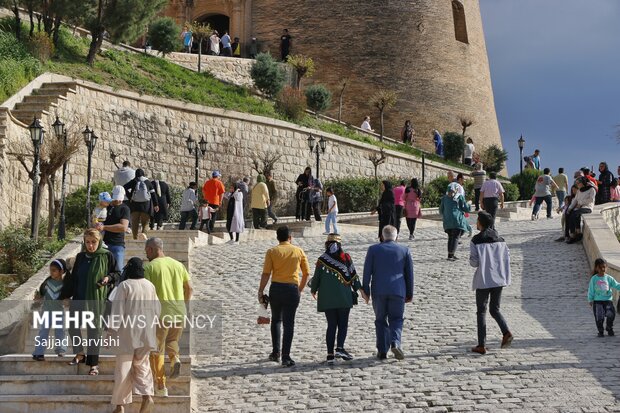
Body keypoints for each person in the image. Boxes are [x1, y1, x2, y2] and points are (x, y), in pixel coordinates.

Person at [61, 229, 117, 376]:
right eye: (88, 242)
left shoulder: (106, 256)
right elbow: (73, 279)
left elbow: (117, 273)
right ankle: (79, 353)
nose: (90, 246)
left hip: (96, 300)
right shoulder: (80, 257)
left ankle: (93, 364)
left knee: (94, 332)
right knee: (73, 326)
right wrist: (66, 296)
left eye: (93, 242)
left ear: (99, 242)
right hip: (79, 298)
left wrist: (108, 278)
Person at [108, 257, 159, 413]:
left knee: (123, 369)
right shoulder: (150, 285)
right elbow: (157, 309)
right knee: (142, 366)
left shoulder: (125, 286)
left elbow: (117, 311)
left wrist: (110, 332)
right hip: (146, 333)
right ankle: (147, 396)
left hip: (127, 334)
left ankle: (120, 406)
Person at [144, 237, 193, 397]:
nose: (146, 255)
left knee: (156, 350)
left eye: (147, 251)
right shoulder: (178, 265)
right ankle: (174, 359)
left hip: (160, 314)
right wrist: (182, 303)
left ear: (151, 249)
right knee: (172, 341)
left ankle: (161, 386)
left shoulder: (150, 267)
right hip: (179, 311)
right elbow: (189, 288)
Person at [258, 226, 310, 367]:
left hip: (276, 289)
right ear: (290, 238)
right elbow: (306, 273)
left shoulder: (272, 252)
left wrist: (261, 290)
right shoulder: (298, 251)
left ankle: (276, 353)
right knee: (289, 323)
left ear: (277, 238)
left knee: (276, 320)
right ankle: (286, 356)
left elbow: (266, 273)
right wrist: (300, 290)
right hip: (292, 289)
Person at [362, 225, 414, 360]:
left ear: (382, 236)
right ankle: (395, 342)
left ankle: (382, 350)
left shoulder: (373, 249)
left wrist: (365, 291)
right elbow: (409, 274)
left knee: (380, 320)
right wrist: (409, 293)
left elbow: (367, 272)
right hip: (398, 290)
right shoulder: (404, 250)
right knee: (397, 319)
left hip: (378, 291)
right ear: (396, 236)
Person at [310, 234, 361, 364]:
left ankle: (330, 355)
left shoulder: (322, 260)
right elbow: (353, 274)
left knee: (331, 325)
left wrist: (313, 289)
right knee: (343, 324)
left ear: (327, 245)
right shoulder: (346, 258)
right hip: (344, 297)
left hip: (327, 299)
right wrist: (361, 290)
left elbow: (316, 278)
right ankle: (340, 348)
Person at [469, 211, 513, 355]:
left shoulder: (476, 240)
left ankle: (481, 344)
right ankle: (506, 332)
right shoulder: (500, 239)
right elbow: (507, 257)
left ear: (480, 223)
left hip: (484, 279)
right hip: (499, 278)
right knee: (495, 309)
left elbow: (474, 262)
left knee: (481, 311)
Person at [32, 259, 68, 360]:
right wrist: (37, 299)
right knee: (43, 331)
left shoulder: (65, 285)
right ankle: (38, 352)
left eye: (54, 270)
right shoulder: (46, 283)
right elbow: (41, 295)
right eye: (50, 270)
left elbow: (67, 299)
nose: (51, 272)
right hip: (46, 312)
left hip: (59, 312)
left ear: (61, 271)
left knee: (60, 331)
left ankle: (61, 350)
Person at [97, 186, 130, 272]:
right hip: (103, 243)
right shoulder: (106, 206)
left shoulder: (124, 209)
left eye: (119, 199)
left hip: (117, 244)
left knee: (118, 270)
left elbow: (123, 227)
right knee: (102, 270)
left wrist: (104, 227)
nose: (118, 200)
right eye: (116, 198)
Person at [588, 258, 620, 337]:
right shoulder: (594, 279)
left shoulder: (609, 278)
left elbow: (616, 285)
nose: (603, 269)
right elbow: (591, 290)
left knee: (611, 314)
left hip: (608, 300)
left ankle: (609, 328)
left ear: (606, 267)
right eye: (600, 267)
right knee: (599, 317)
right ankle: (600, 331)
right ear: (596, 268)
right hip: (597, 302)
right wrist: (590, 299)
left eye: (604, 267)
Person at [124, 169, 159, 240]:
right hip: (146, 206)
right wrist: (156, 204)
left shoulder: (134, 181)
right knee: (145, 223)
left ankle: (135, 238)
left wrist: (130, 196)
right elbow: (153, 194)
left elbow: (124, 187)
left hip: (134, 206)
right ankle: (143, 236)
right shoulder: (147, 182)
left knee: (135, 223)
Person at [439, 182, 471, 260]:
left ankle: (450, 254)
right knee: (456, 236)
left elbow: (441, 210)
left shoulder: (444, 198)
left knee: (450, 237)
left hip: (447, 221)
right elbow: (466, 208)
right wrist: (469, 204)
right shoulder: (459, 197)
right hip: (457, 220)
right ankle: (451, 255)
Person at [566, 176, 596, 244]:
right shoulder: (579, 191)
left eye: (578, 183)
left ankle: (577, 234)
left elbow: (591, 199)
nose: (577, 185)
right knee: (569, 215)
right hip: (579, 207)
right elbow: (575, 201)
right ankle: (571, 234)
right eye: (576, 183)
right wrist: (569, 208)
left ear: (583, 183)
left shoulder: (591, 189)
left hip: (587, 207)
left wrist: (581, 203)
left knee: (575, 214)